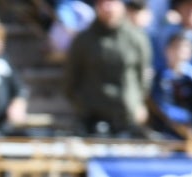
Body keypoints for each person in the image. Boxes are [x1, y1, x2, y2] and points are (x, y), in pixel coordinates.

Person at [63, 0, 154, 136]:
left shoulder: (137, 38)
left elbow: (144, 76)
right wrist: (81, 105)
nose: (107, 8)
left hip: (126, 117)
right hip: (91, 118)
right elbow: (70, 79)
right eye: (102, 3)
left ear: (121, 6)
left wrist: (138, 103)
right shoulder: (83, 40)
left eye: (112, 2)